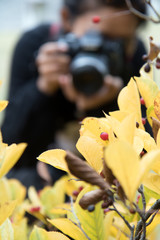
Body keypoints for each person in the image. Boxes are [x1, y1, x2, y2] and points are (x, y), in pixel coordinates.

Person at [1, 0, 147, 189]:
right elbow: (8, 148)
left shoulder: (135, 55)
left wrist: (112, 101)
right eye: (100, 38)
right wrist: (42, 87)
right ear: (66, 19)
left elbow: (139, 150)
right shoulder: (34, 45)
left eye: (122, 43)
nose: (108, 50)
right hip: (35, 186)